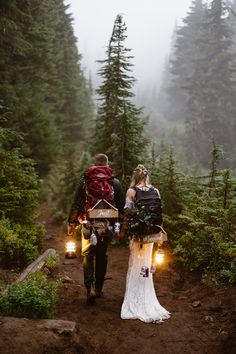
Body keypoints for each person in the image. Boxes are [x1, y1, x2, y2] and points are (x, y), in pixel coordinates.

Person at [67, 153, 124, 305]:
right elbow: (121, 206)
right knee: (102, 255)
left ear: (94, 164)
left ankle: (89, 288)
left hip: (88, 223)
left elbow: (76, 202)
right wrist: (121, 226)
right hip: (108, 224)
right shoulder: (115, 182)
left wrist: (71, 222)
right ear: (107, 164)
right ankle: (99, 288)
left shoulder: (85, 180)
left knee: (87, 254)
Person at [121, 164, 170, 323]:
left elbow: (127, 213)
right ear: (146, 176)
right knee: (146, 263)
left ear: (134, 177)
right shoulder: (156, 191)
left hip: (137, 235)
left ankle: (135, 297)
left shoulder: (131, 191)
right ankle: (144, 291)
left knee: (136, 262)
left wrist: (126, 231)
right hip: (151, 235)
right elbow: (159, 213)